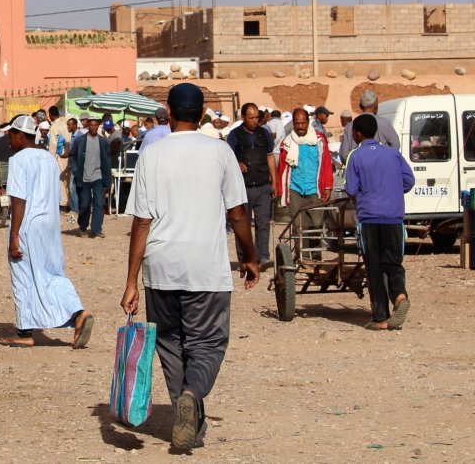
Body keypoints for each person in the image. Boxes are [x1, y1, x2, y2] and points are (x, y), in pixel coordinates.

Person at [122, 83, 259, 451]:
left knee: (170, 344)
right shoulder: (219, 152)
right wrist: (249, 256)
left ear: (168, 112)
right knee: (208, 342)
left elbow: (141, 222)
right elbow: (238, 213)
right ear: (201, 115)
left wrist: (132, 281)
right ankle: (192, 395)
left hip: (161, 266)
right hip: (206, 268)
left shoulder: (152, 154)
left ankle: (189, 418)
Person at [0, 115, 94, 349]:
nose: (9, 139)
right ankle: (78, 312)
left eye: (11, 135)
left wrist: (14, 235)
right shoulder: (49, 158)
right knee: (52, 273)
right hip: (50, 224)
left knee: (22, 275)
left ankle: (25, 332)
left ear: (20, 135)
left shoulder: (19, 159)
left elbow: (18, 199)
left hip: (28, 224)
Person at [345, 114, 415, 330]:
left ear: (357, 133)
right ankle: (400, 297)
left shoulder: (355, 156)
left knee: (374, 267)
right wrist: (391, 189)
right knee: (393, 262)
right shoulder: (393, 154)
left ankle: (380, 318)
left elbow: (350, 189)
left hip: (369, 218)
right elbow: (409, 180)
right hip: (394, 217)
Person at [227, 103, 278, 270]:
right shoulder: (234, 135)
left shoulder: (265, 134)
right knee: (243, 223)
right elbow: (228, 158)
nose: (255, 121)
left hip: (263, 184)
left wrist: (274, 182)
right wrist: (237, 164)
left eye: (257, 118)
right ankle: (245, 259)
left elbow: (270, 157)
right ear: (243, 118)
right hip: (243, 186)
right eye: (251, 118)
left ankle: (263, 256)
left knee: (263, 222)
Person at [276, 108, 334, 242]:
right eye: (297, 123)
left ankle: (315, 255)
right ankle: (302, 258)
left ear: (308, 122)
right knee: (299, 225)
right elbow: (283, 168)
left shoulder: (319, 140)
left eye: (303, 123)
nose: (300, 127)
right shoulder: (287, 143)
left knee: (317, 224)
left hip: (315, 188)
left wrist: (327, 186)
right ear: (293, 124)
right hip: (295, 188)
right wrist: (282, 191)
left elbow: (326, 164)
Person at [69, 116, 110, 237]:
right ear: (88, 126)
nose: (93, 127)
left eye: (95, 125)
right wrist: (76, 171)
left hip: (98, 177)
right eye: (91, 125)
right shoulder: (80, 140)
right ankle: (82, 227)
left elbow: (107, 160)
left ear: (98, 126)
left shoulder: (102, 141)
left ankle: (96, 229)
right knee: (85, 204)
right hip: (84, 178)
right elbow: (72, 156)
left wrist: (107, 181)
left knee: (99, 204)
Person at [339, 89, 401, 161]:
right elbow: (396, 146)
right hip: (381, 168)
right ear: (376, 107)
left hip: (358, 169)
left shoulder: (349, 127)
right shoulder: (385, 123)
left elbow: (344, 155)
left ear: (360, 106)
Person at [49, 107, 74, 211]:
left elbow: (53, 144)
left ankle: (64, 203)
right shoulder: (66, 123)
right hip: (71, 154)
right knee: (69, 180)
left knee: (61, 179)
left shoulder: (54, 126)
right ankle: (70, 202)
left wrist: (51, 158)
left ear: (50, 114)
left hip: (60, 155)